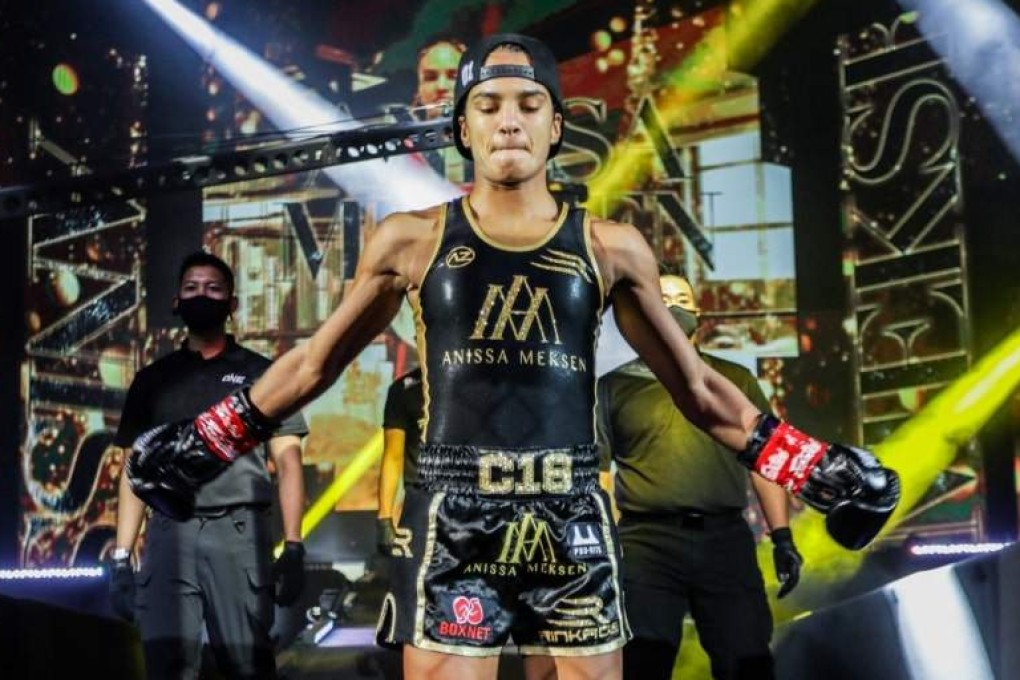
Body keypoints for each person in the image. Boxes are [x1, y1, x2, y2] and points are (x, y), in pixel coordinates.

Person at [124, 34, 900, 680]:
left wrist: (815, 468)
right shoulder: (412, 237)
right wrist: (207, 440)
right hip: (455, 512)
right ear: (462, 127)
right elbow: (313, 364)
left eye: (529, 105)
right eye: (487, 105)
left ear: (555, 127)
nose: (508, 121)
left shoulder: (610, 246)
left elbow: (699, 390)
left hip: (572, 517)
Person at [107, 251, 309, 680]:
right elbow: (133, 471)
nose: (203, 296)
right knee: (166, 665)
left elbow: (289, 461)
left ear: (232, 305)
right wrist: (122, 557)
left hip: (239, 535)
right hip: (167, 537)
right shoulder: (152, 380)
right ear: (177, 302)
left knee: (247, 664)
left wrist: (293, 545)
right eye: (192, 288)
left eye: (214, 289)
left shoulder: (262, 374)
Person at [598, 274, 803, 680]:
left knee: (747, 660)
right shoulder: (614, 386)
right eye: (663, 298)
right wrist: (606, 547)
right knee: (642, 661)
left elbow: (765, 458)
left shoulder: (735, 381)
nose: (673, 307)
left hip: (723, 539)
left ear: (698, 313)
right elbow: (601, 474)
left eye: (681, 299)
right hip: (646, 542)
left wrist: (782, 536)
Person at [376, 366, 423, 557]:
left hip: (469, 498)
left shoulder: (472, 382)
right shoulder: (403, 389)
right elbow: (393, 456)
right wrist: (384, 519)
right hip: (422, 500)